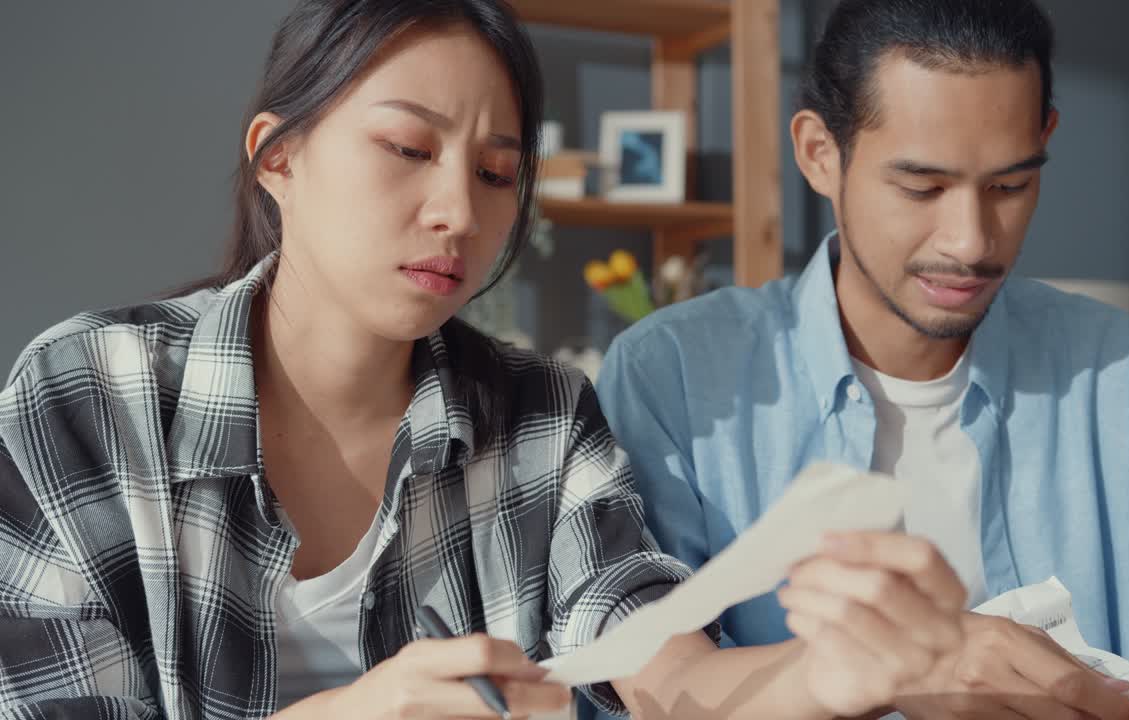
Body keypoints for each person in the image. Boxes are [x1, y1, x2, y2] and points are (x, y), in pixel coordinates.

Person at [0, 2, 979, 719]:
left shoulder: (543, 420)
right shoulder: (89, 394)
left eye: (496, 172)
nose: (458, 214)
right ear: (278, 157)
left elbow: (655, 663)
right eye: (404, 148)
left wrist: (816, 681)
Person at [595, 0, 1129, 718]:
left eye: (1010, 186)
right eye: (922, 187)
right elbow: (656, 677)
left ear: (1045, 138)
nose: (971, 242)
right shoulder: (671, 373)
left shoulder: (1116, 366)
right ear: (820, 153)